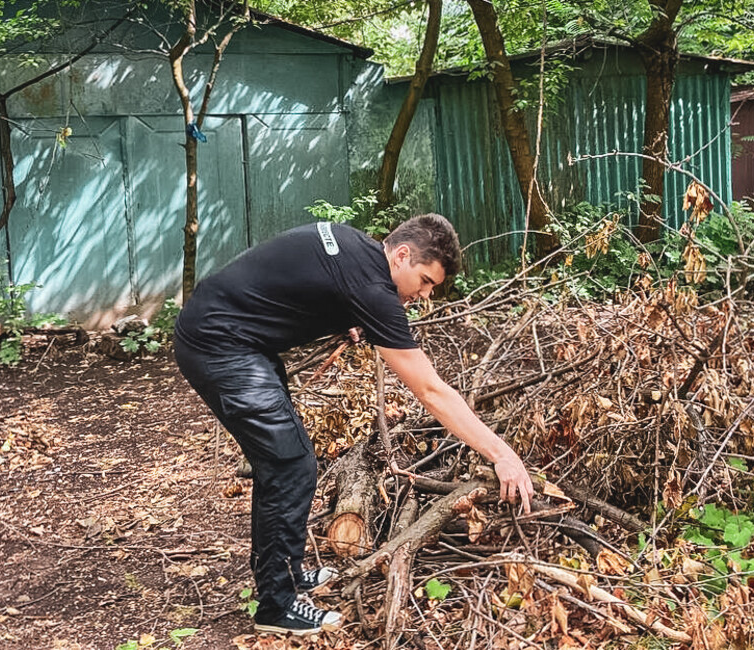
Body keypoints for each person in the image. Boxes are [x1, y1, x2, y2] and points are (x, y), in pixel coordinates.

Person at [173, 214, 534, 636]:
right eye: (424, 281)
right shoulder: (372, 288)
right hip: (220, 345)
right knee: (290, 465)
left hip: (230, 332)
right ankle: (276, 606)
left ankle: (282, 574)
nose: (423, 295)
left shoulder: (355, 247)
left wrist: (339, 311)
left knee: (283, 462)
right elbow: (431, 391)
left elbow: (309, 275)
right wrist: (502, 453)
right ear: (401, 255)